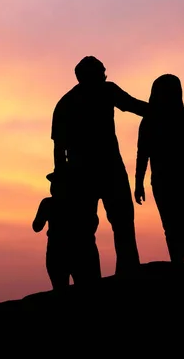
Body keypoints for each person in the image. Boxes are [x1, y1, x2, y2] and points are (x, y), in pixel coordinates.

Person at [51, 56, 148, 275]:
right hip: (99, 171)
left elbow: (59, 149)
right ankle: (115, 274)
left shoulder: (68, 102)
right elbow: (59, 147)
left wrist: (160, 111)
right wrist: (164, 112)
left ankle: (105, 275)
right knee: (108, 225)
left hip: (90, 172)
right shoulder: (94, 94)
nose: (105, 76)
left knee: (103, 226)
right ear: (90, 75)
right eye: (101, 73)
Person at [133, 74, 184, 263]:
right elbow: (142, 154)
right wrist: (138, 184)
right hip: (163, 179)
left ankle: (178, 262)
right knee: (172, 225)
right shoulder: (149, 122)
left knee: (182, 225)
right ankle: (177, 263)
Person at [33, 171, 101, 289]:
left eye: (55, 183)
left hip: (60, 251)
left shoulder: (48, 203)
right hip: (71, 249)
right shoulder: (80, 202)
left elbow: (37, 226)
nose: (53, 187)